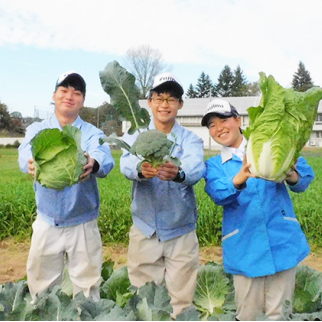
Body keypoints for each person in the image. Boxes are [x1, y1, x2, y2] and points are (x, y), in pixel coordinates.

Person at [201, 99, 314, 320]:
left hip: (281, 241)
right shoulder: (214, 165)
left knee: (280, 314)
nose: (219, 128)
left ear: (238, 120)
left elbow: (305, 178)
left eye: (223, 120)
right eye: (212, 125)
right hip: (245, 248)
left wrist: (290, 173)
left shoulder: (269, 146)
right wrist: (240, 177)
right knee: (248, 315)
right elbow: (218, 193)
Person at [18, 71, 115, 301]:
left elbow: (104, 155)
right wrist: (29, 163)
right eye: (64, 90)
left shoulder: (91, 132)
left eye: (77, 92)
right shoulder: (37, 130)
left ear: (82, 100)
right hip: (46, 221)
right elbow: (25, 153)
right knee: (41, 289)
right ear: (54, 95)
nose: (69, 96)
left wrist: (93, 162)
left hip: (83, 223)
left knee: (88, 289)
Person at [120, 72, 206, 317]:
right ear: (150, 102)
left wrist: (179, 173)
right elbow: (125, 163)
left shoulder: (190, 140)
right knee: (144, 300)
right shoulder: (136, 136)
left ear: (180, 104)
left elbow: (196, 167)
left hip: (181, 232)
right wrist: (140, 169)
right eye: (159, 98)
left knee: (181, 301)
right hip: (145, 230)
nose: (164, 104)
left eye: (171, 99)